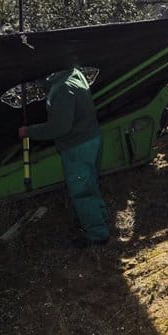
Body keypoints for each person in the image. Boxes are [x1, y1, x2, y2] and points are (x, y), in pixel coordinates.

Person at [17, 67, 110, 245]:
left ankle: (97, 234)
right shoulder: (73, 74)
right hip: (91, 138)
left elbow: (59, 127)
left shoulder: (62, 91)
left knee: (81, 191)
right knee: (90, 182)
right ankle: (100, 217)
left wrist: (28, 131)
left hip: (77, 146)